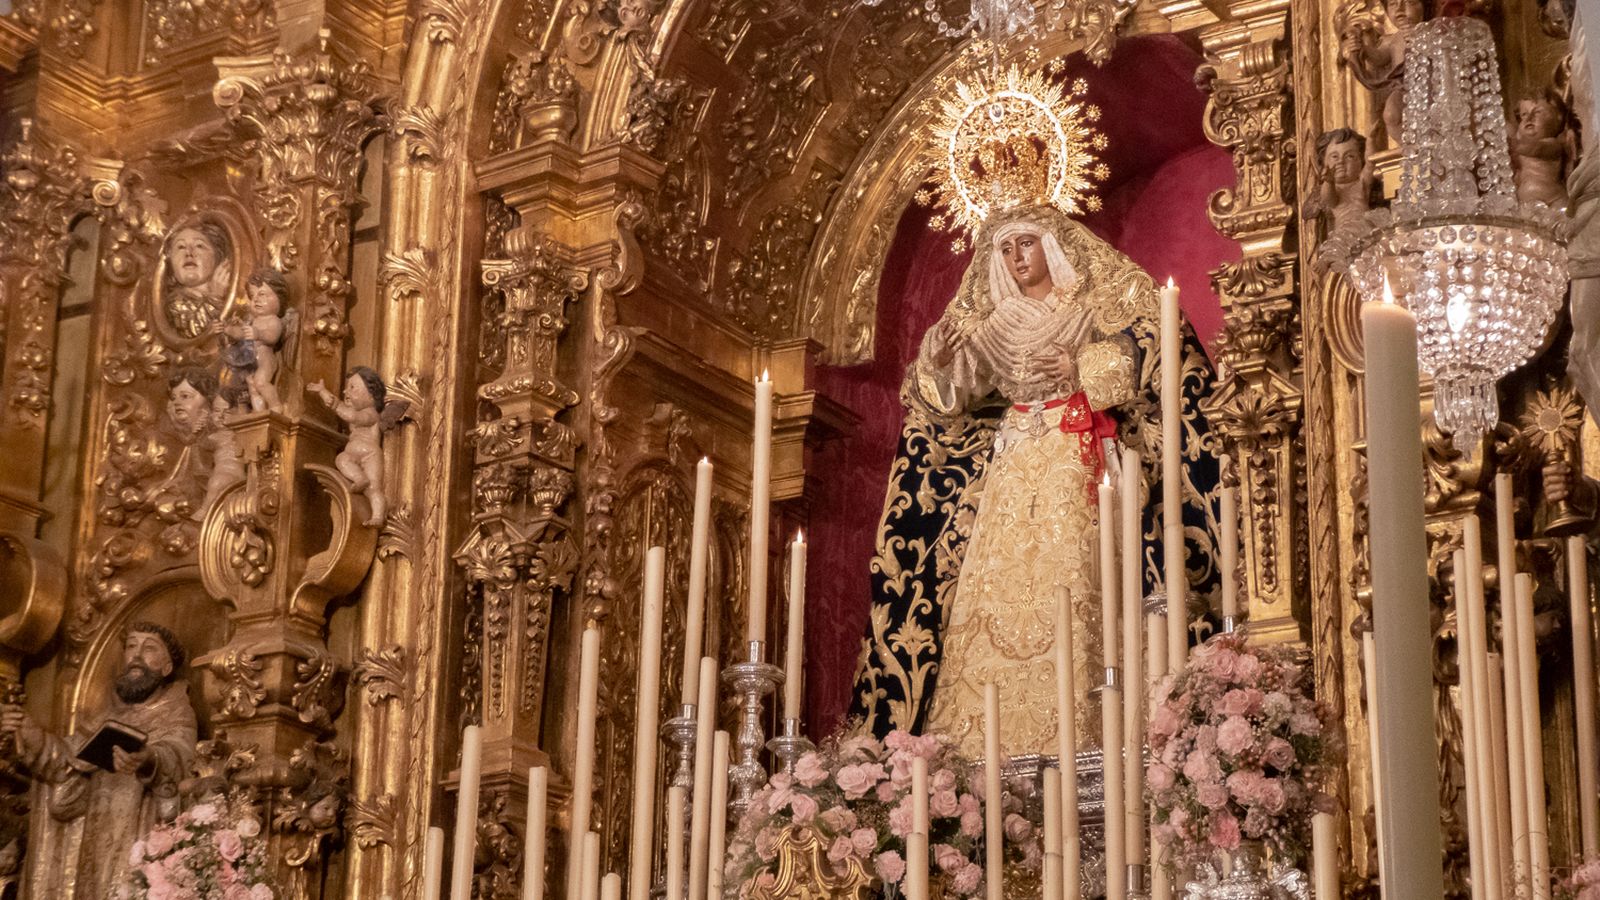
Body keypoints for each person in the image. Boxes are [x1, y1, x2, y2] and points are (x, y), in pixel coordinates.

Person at [849, 204, 1219, 755]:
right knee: (998, 588)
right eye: (1005, 249)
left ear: (1052, 245)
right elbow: (953, 396)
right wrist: (942, 362)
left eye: (1025, 243)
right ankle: (983, 747)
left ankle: (1100, 732)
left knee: (1080, 575)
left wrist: (1083, 372)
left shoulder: (1092, 306)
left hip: (1077, 456)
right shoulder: (994, 322)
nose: (1017, 258)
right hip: (1014, 461)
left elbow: (1147, 352)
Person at [0, 623, 197, 899]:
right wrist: (25, 729)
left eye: (149, 647)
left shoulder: (176, 711)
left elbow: (181, 755)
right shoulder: (103, 719)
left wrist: (148, 759)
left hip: (141, 833)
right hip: (95, 837)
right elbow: (66, 762)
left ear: (166, 667)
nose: (136, 655)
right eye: (131, 646)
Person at [308, 367, 407, 527]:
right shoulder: (358, 409)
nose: (346, 391)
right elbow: (344, 408)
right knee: (363, 479)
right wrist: (323, 392)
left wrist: (334, 405)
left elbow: (351, 416)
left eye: (353, 387)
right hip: (360, 454)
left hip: (369, 454)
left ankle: (377, 515)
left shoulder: (371, 413)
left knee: (370, 484)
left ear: (372, 394)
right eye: (347, 387)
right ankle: (362, 483)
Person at [1341, 0, 1427, 146]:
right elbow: (1379, 58)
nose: (1400, 9)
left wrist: (1419, 39)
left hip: (1426, 83)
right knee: (1391, 114)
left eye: (1408, 2)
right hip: (1401, 85)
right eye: (1393, 4)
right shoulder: (1394, 40)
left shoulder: (1428, 31)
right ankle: (1409, 147)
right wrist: (1362, 48)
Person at [217, 267, 292, 413]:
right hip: (251, 362)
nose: (256, 299)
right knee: (252, 386)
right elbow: (240, 335)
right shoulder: (253, 321)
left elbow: (272, 337)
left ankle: (275, 405)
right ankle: (259, 413)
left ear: (279, 297)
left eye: (262, 294)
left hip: (265, 360)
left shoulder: (273, 320)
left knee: (261, 382)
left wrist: (258, 334)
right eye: (252, 295)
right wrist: (227, 330)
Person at [162, 222, 234, 341]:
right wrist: (215, 298)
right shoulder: (176, 303)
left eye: (199, 246)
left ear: (218, 256)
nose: (189, 253)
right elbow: (195, 334)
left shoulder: (236, 294)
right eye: (181, 247)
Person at [1304, 128, 1375, 237]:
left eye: (1350, 156)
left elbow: (1370, 163)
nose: (1341, 161)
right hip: (1344, 236)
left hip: (1367, 234)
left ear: (1361, 162)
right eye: (1334, 157)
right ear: (1323, 163)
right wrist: (1328, 181)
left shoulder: (1362, 185)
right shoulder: (1334, 191)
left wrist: (1371, 140)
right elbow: (1327, 198)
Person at [1512, 92, 1577, 208]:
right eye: (1523, 114)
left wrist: (1508, 141)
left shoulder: (1553, 145)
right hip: (1529, 205)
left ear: (1558, 121)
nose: (1529, 118)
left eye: (1537, 112)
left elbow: (1535, 149)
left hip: (1554, 201)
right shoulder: (1520, 154)